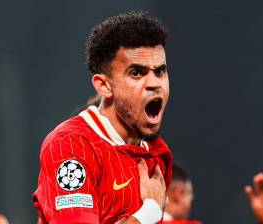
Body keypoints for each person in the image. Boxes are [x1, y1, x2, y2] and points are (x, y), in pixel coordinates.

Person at [33, 12, 172, 224]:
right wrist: (150, 212)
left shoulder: (158, 153)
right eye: (137, 73)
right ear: (104, 85)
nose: (155, 83)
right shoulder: (70, 146)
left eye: (160, 71)